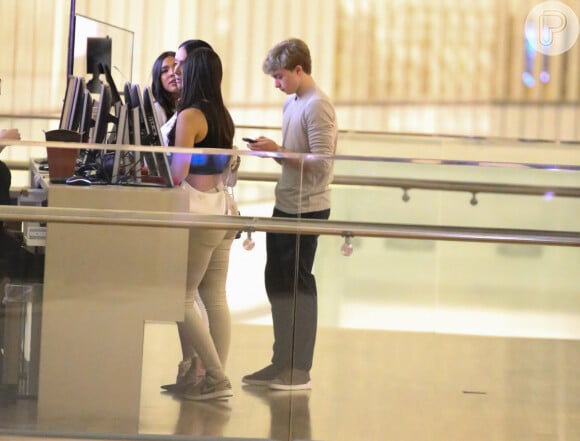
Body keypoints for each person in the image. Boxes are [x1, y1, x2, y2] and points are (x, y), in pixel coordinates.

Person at [242, 38, 338, 390]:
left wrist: (277, 151)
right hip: (286, 203)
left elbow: (321, 163)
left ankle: (299, 368)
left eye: (280, 76)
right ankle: (281, 361)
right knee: (278, 283)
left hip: (307, 208)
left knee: (297, 284)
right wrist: (277, 150)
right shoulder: (294, 104)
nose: (276, 84)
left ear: (299, 70)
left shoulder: (318, 107)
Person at [165, 46, 237, 401]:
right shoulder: (223, 115)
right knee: (214, 297)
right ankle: (209, 376)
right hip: (220, 210)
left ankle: (217, 378)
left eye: (181, 67)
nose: (175, 72)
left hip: (197, 212)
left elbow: (178, 172)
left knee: (178, 296)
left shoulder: (189, 116)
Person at [151, 50, 179, 127]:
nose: (172, 73)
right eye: (165, 71)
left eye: (176, 66)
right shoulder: (157, 109)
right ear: (158, 79)